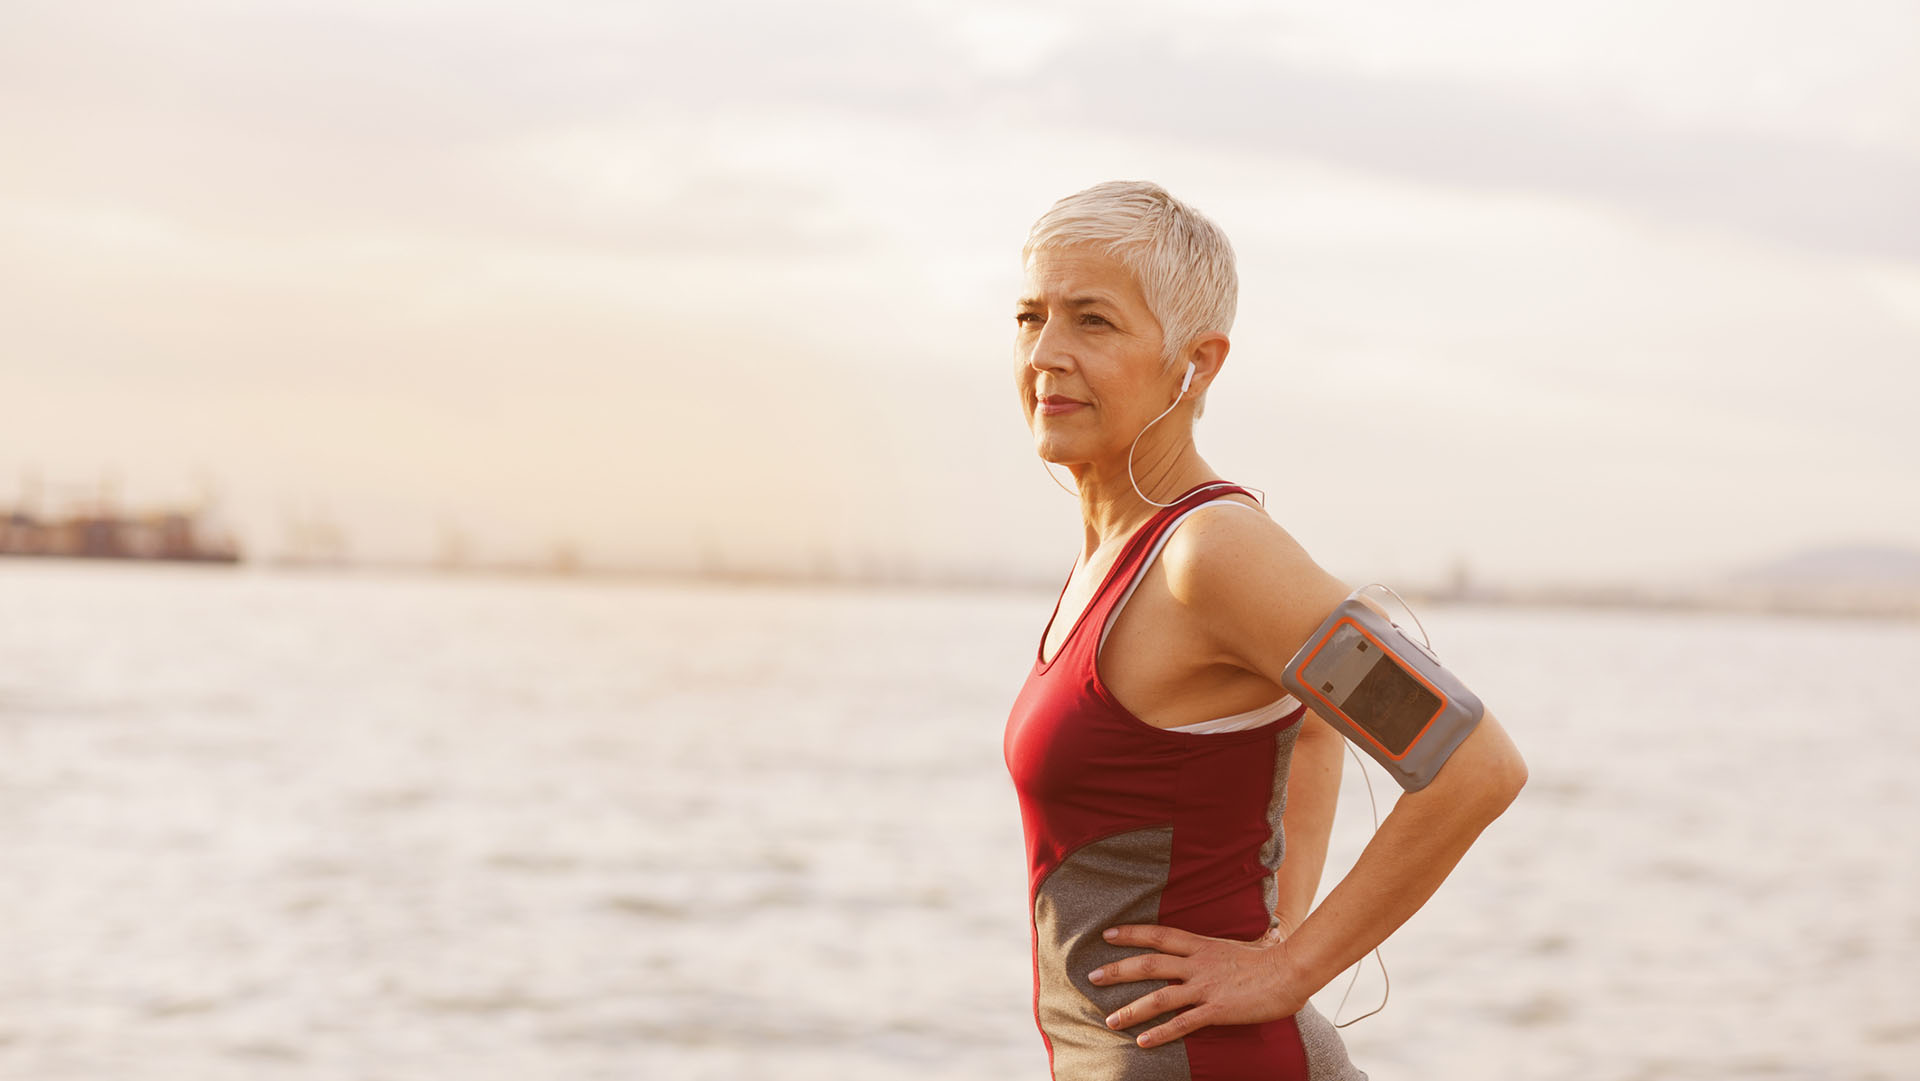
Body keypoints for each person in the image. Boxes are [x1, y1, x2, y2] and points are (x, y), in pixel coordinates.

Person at [1002, 181, 1529, 1080]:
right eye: (1030, 315)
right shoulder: (1116, 552)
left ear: (1196, 363)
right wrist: (1267, 920)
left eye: (1093, 321)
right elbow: (1315, 720)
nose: (1047, 353)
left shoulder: (1210, 554)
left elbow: (1473, 761)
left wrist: (1284, 966)